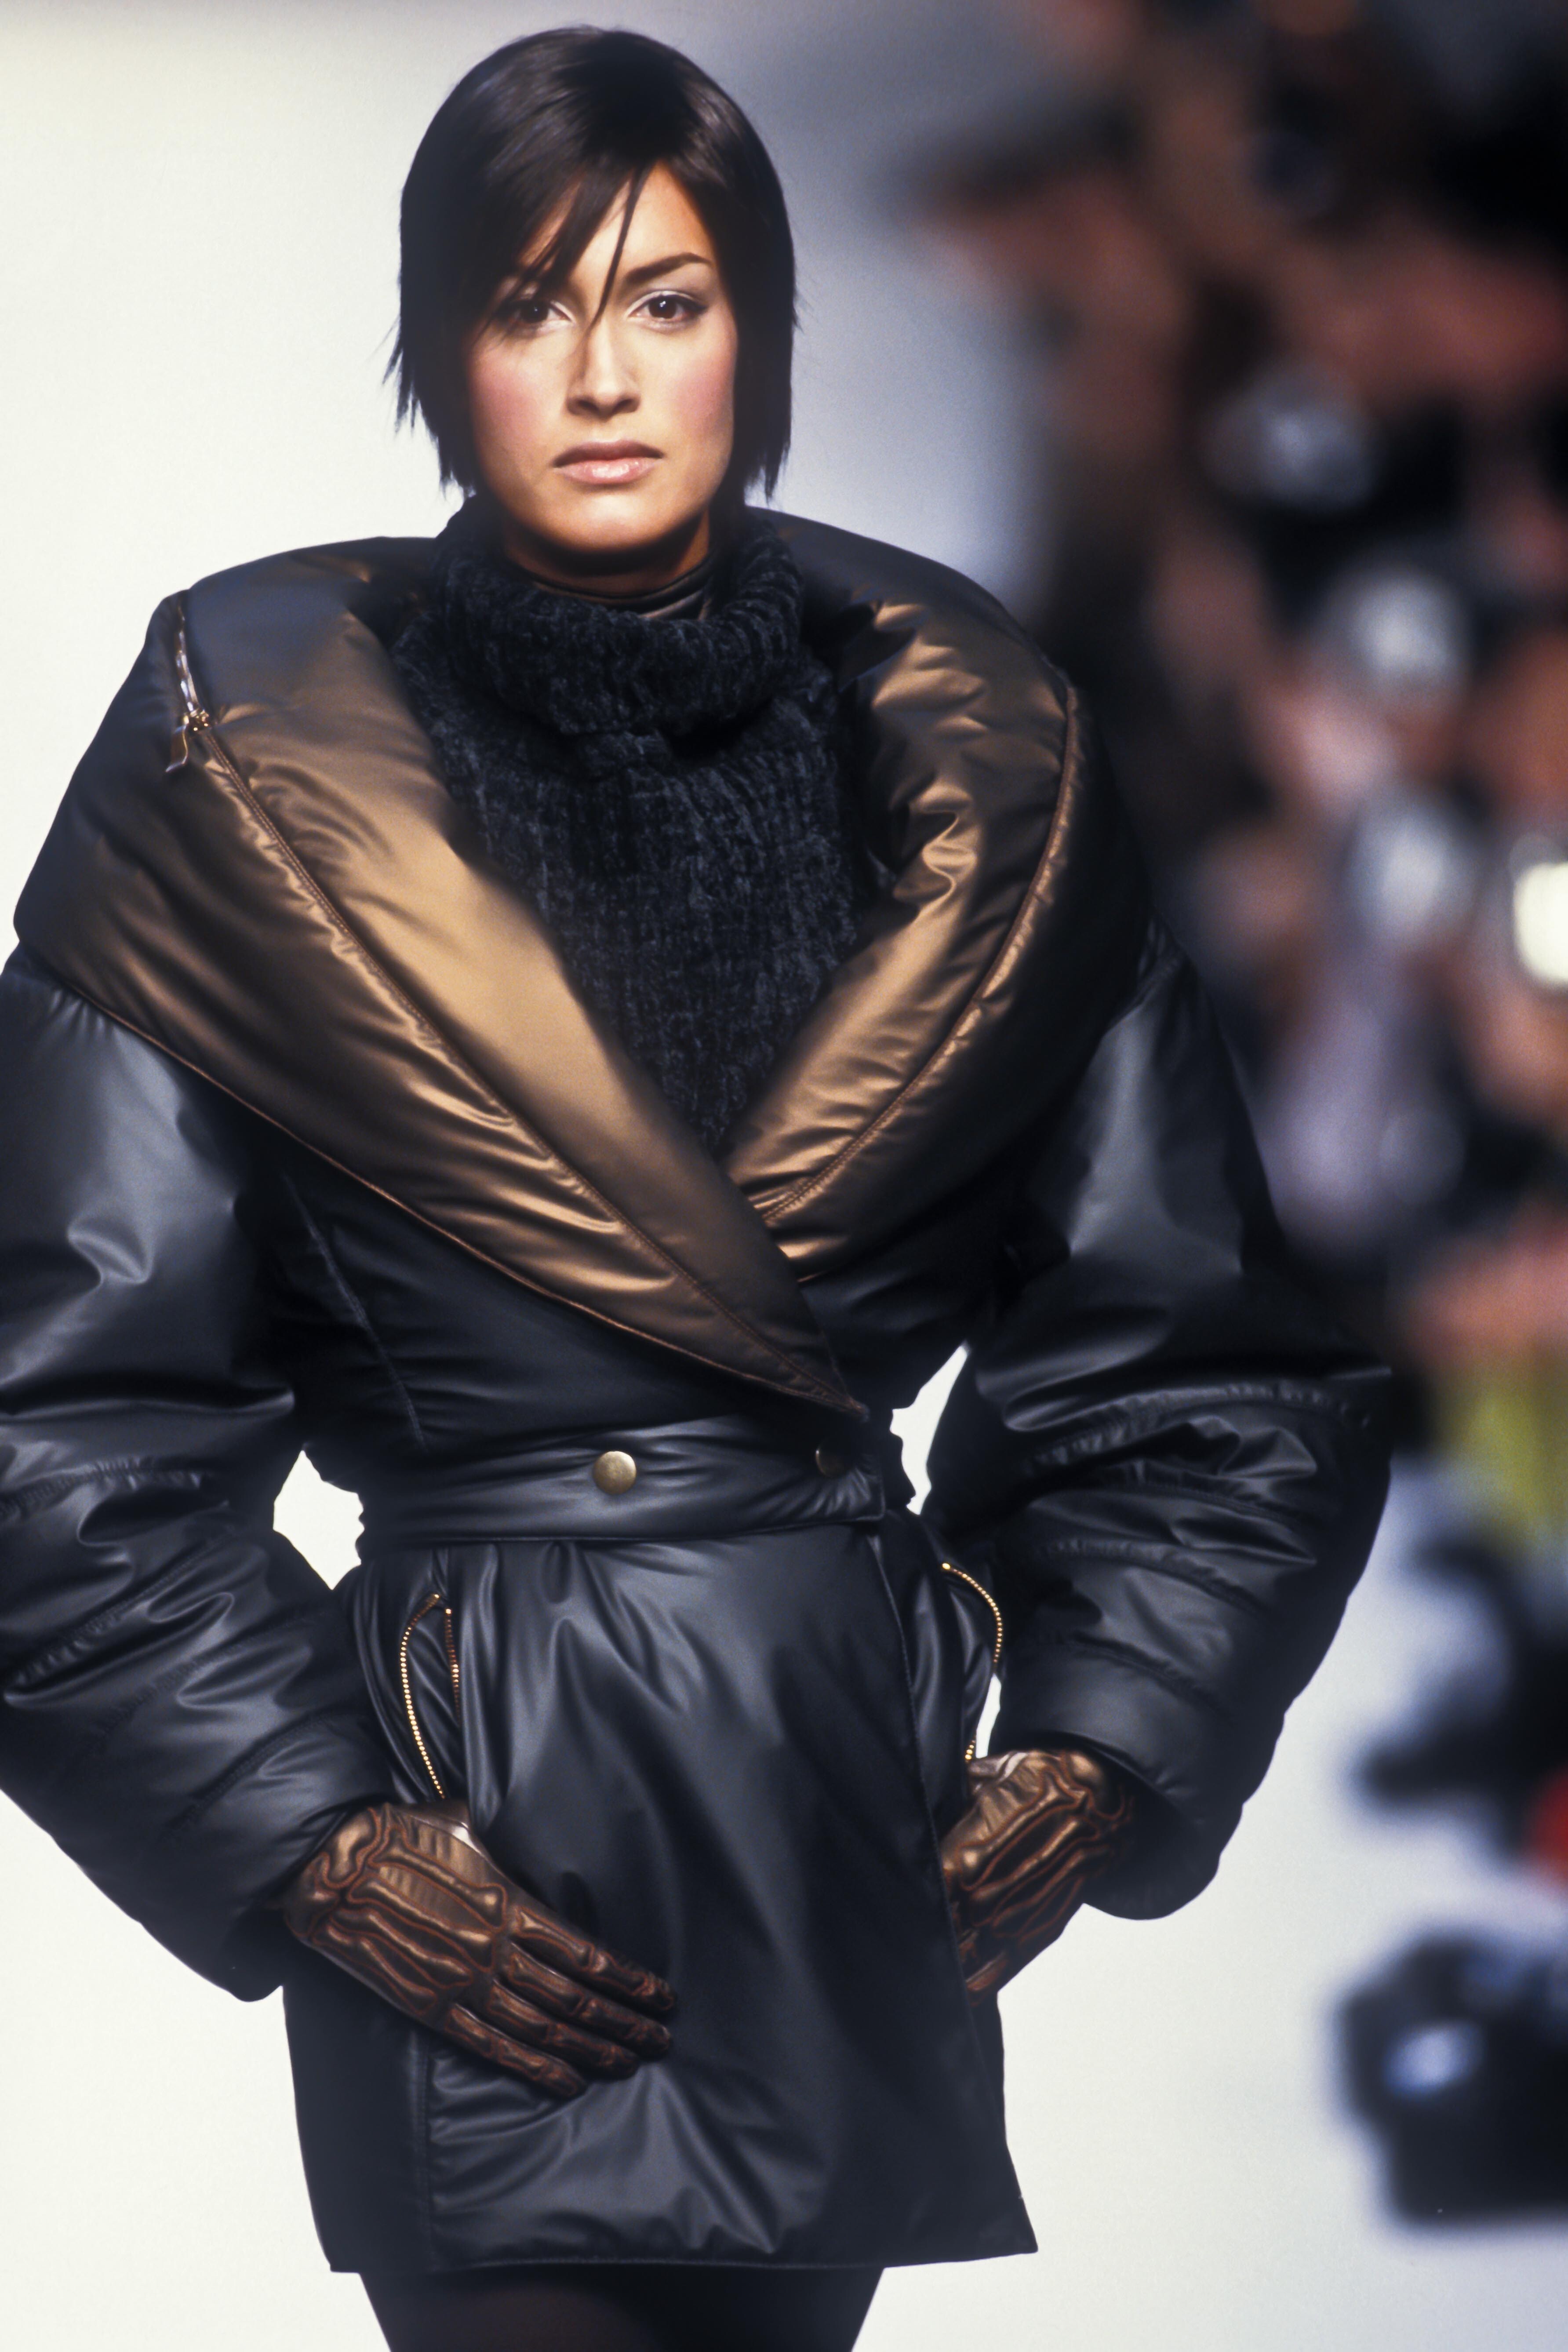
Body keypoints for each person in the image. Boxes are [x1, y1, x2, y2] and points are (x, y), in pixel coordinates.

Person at [0, 28, 1389, 2352]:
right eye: (527, 305)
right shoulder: (232, 772)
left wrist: (1096, 1744)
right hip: (481, 1838)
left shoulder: (988, 769)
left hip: (835, 1810)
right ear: (435, 351)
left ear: (760, 330)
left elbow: (1202, 1355)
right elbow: (54, 1404)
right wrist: (308, 1827)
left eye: (667, 299)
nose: (603, 375)